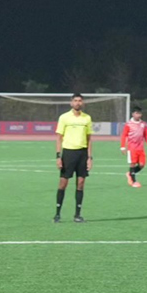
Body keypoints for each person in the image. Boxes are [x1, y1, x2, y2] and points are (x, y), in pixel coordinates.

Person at [54, 93, 93, 223]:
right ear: (71, 103)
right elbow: (59, 138)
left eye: (80, 101)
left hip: (82, 154)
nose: (77, 103)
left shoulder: (87, 118)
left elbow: (89, 139)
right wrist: (58, 156)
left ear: (82, 103)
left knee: (81, 184)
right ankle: (57, 214)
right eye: (75, 101)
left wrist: (89, 157)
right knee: (63, 183)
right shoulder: (64, 117)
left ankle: (77, 215)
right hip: (69, 153)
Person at [119, 106, 147, 188]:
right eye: (137, 113)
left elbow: (146, 135)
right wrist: (123, 147)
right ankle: (134, 181)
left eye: (140, 113)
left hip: (141, 148)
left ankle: (130, 174)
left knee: (142, 165)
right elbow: (124, 135)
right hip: (132, 148)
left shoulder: (143, 124)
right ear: (133, 114)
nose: (139, 115)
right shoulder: (128, 124)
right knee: (132, 164)